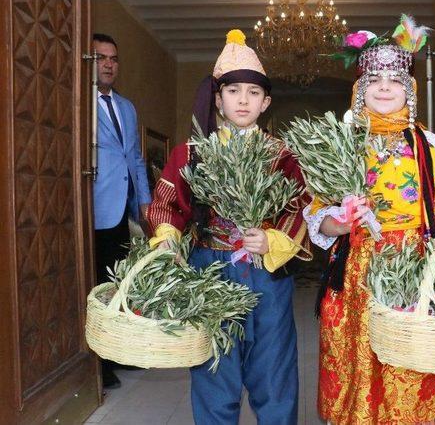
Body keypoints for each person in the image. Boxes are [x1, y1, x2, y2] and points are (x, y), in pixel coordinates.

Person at [303, 19, 435, 424]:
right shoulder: (342, 143)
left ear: (410, 90)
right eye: (375, 80)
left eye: (395, 80)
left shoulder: (429, 145)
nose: (384, 87)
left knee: (413, 366)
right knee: (360, 360)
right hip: (358, 274)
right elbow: (317, 217)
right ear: (360, 90)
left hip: (414, 267)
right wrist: (340, 222)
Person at [146, 30, 311, 425]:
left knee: (274, 372)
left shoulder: (282, 155)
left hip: (267, 275)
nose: (242, 100)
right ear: (217, 98)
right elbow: (167, 206)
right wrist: (167, 240)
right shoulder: (192, 153)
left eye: (253, 93)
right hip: (210, 270)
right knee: (214, 370)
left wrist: (271, 239)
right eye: (233, 91)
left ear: (266, 102)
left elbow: (302, 207)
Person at [92, 33, 151, 389]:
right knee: (97, 284)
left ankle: (118, 354)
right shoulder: (78, 103)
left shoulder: (126, 107)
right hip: (94, 206)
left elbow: (135, 157)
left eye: (113, 58)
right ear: (89, 61)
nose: (109, 64)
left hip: (125, 209)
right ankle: (98, 366)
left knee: (119, 284)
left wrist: (145, 201)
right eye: (101, 58)